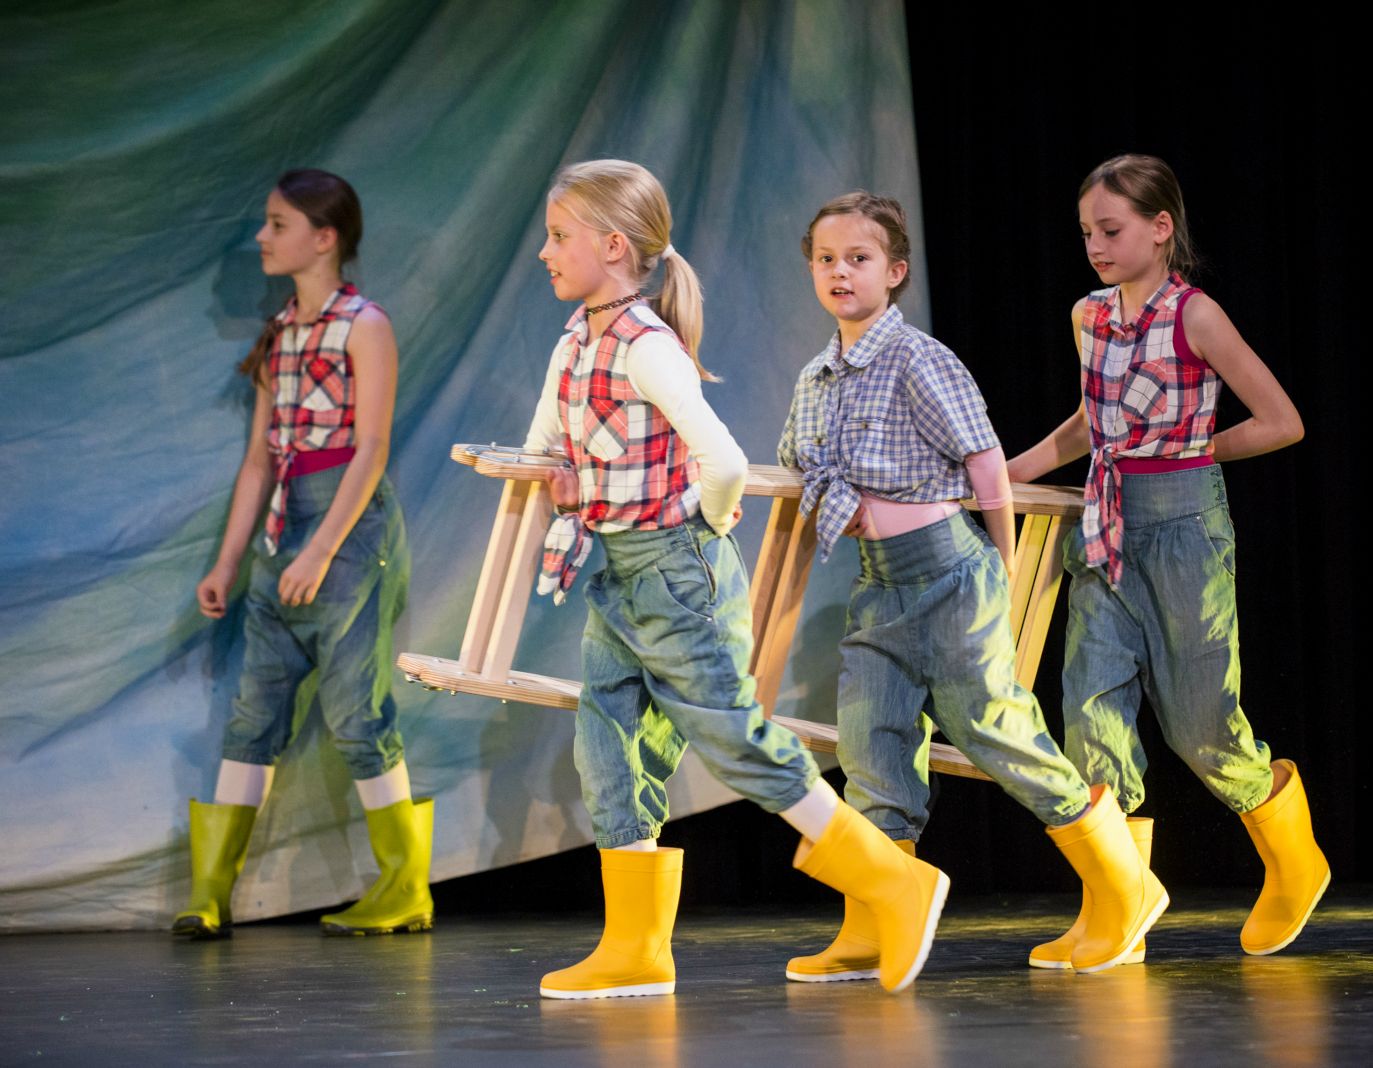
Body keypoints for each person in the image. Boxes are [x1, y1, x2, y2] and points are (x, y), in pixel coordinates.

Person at [521, 160, 946, 999]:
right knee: (606, 741)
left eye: (559, 236)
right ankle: (635, 946)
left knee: (733, 739)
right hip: (617, 569)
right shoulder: (576, 337)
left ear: (613, 246)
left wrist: (704, 525)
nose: (545, 251)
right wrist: (555, 473)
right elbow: (546, 443)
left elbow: (718, 458)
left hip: (673, 569)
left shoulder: (645, 344)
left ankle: (895, 880)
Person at [778, 192, 1166, 980]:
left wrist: (999, 560)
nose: (840, 272)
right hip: (879, 586)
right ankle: (874, 914)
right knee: (869, 741)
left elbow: (985, 462)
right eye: (826, 259)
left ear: (895, 270)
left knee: (994, 729)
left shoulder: (919, 357)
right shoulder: (816, 376)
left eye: (858, 258)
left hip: (950, 572)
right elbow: (798, 465)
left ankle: (1124, 884)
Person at [1008, 154, 1330, 959]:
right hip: (1105, 523)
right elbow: (1088, 427)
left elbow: (1281, 420)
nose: (1096, 246)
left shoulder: (1196, 316)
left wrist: (1192, 447)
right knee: (1089, 713)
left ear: (1160, 228)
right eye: (1087, 232)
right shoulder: (1089, 316)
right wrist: (1001, 474)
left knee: (1202, 727)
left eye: (1111, 230)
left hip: (1183, 525)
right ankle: (1118, 903)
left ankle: (1295, 857)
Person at [173, 169, 429, 940]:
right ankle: (209, 891)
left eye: (277, 223)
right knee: (254, 711)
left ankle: (404, 887)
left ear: (324, 238)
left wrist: (321, 549)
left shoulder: (365, 324)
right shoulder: (282, 334)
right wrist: (227, 562)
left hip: (344, 529)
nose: (262, 235)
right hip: (284, 526)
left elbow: (372, 447)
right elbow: (260, 460)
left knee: (357, 712)